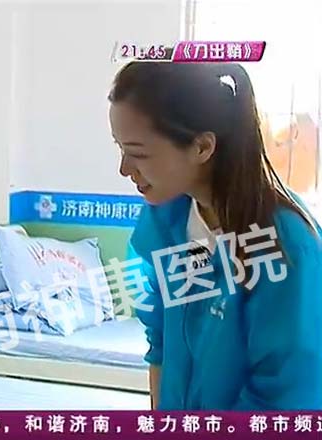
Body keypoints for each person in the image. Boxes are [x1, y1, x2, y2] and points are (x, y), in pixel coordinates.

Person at [108, 61, 322, 410]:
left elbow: (285, 396)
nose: (124, 169)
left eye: (138, 153)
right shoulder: (167, 216)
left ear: (202, 148)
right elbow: (160, 341)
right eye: (120, 148)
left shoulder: (284, 246)